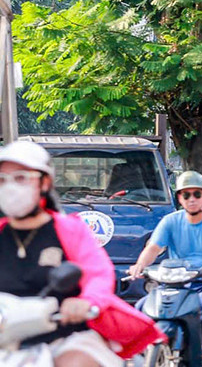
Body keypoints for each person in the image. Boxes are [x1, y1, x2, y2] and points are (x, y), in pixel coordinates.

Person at [0, 141, 161, 367]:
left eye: (21, 178)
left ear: (44, 183)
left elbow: (98, 273)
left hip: (64, 338)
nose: (10, 187)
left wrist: (85, 302)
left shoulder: (68, 229)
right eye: (2, 180)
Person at [130, 171, 202, 367]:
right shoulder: (171, 221)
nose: (192, 199)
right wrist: (139, 266)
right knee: (140, 308)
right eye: (186, 195)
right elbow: (153, 248)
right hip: (174, 283)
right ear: (179, 197)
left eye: (197, 194)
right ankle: (139, 356)